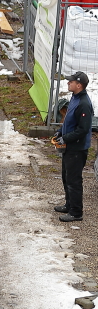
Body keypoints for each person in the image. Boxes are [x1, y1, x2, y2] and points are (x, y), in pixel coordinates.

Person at [54, 71, 93, 222]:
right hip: (70, 146)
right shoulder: (75, 98)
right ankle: (69, 204)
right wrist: (59, 133)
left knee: (74, 180)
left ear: (79, 85)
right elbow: (69, 121)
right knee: (66, 177)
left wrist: (65, 138)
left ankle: (76, 212)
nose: (68, 83)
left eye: (71, 82)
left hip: (77, 149)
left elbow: (83, 130)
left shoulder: (84, 104)